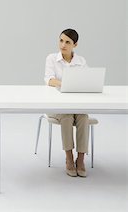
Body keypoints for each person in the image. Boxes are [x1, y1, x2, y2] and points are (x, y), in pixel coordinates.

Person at [44, 28, 88, 177]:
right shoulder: (51, 58)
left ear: (75, 45)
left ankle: (80, 160)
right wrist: (65, 83)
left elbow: (86, 82)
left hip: (77, 105)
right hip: (57, 107)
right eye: (61, 40)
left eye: (67, 42)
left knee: (83, 117)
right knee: (67, 116)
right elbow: (49, 80)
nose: (63, 45)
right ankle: (69, 158)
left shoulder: (81, 61)